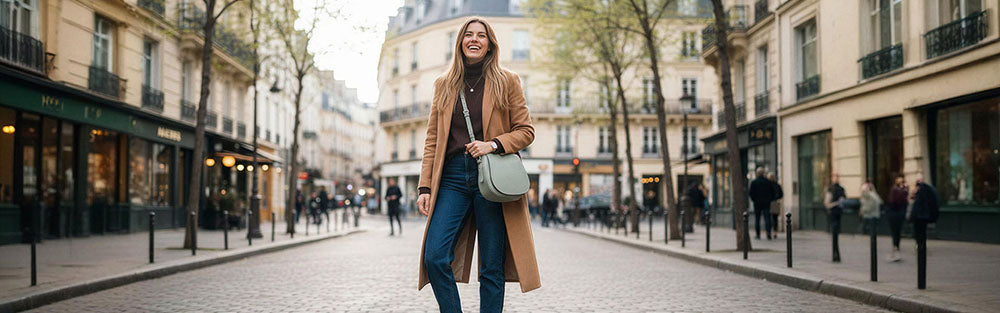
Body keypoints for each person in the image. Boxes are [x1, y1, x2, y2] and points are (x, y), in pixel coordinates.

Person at [415, 17, 539, 313]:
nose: (474, 39)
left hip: (492, 179)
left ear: (490, 44)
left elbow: (526, 131)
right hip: (453, 178)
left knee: (492, 267)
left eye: (481, 35)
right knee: (434, 256)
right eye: (468, 35)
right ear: (460, 42)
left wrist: (493, 144)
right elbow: (433, 139)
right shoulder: (444, 85)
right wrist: (425, 186)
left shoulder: (507, 80)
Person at [909, 174, 939, 289]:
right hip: (924, 218)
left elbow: (918, 205)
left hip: (920, 218)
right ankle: (921, 246)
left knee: (920, 237)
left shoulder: (923, 190)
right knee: (921, 238)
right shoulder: (928, 189)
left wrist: (912, 217)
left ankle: (920, 246)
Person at [824, 174, 846, 262]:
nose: (836, 179)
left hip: (837, 213)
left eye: (837, 177)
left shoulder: (841, 189)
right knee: (834, 235)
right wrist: (837, 203)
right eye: (834, 177)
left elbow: (844, 200)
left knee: (836, 234)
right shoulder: (831, 189)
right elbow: (827, 204)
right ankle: (835, 255)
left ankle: (836, 255)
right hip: (833, 213)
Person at [886, 176, 908, 261]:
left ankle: (895, 248)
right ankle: (896, 248)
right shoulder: (900, 191)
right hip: (897, 214)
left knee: (895, 233)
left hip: (895, 215)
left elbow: (892, 202)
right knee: (897, 232)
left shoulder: (897, 190)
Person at [748, 167, 775, 240]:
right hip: (766, 203)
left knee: (757, 219)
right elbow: (772, 193)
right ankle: (768, 233)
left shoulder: (754, 182)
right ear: (763, 173)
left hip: (757, 203)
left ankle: (758, 234)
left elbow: (751, 193)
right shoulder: (768, 182)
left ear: (757, 173)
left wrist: (754, 200)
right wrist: (769, 199)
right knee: (767, 218)